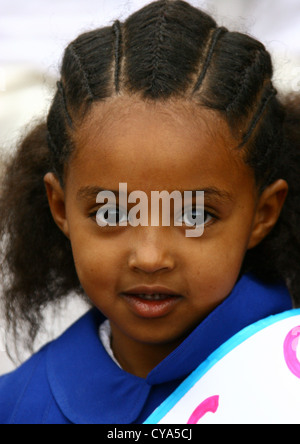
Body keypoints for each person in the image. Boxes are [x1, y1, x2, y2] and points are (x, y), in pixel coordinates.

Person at [0, 0, 299, 424]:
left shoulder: (284, 381)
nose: (151, 257)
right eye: (111, 214)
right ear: (61, 207)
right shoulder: (17, 405)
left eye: (195, 216)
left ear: (263, 213)